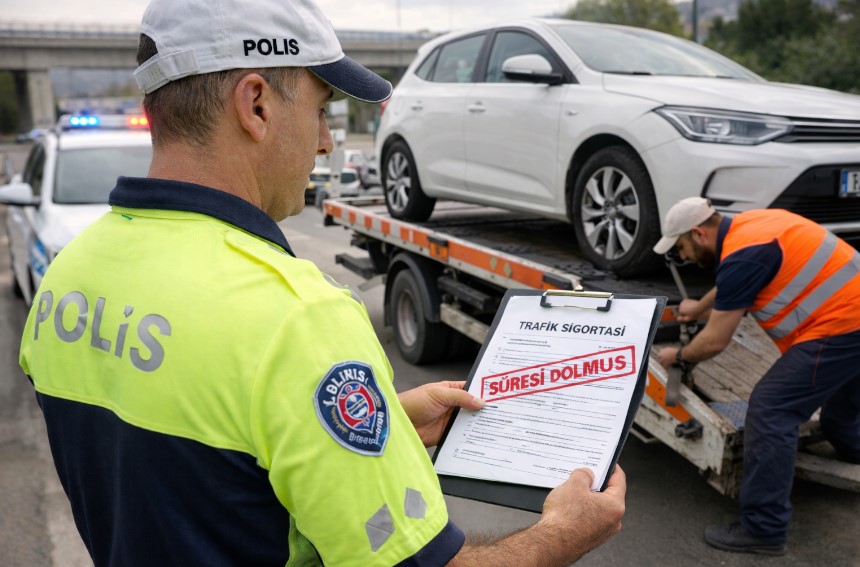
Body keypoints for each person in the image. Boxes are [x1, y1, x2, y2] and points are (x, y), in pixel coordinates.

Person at [18, 0, 626, 565]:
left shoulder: (70, 273)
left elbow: (191, 466)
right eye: (320, 109)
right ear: (255, 105)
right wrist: (563, 532)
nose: (328, 140)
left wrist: (372, 424)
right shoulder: (296, 318)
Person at [653, 197, 860, 556]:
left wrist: (680, 356)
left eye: (682, 247)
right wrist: (700, 307)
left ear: (699, 233)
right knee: (840, 407)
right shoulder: (754, 227)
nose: (683, 257)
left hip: (842, 327)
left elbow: (716, 341)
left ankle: (763, 529)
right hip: (853, 318)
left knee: (771, 409)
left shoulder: (742, 256)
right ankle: (854, 446)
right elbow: (741, 281)